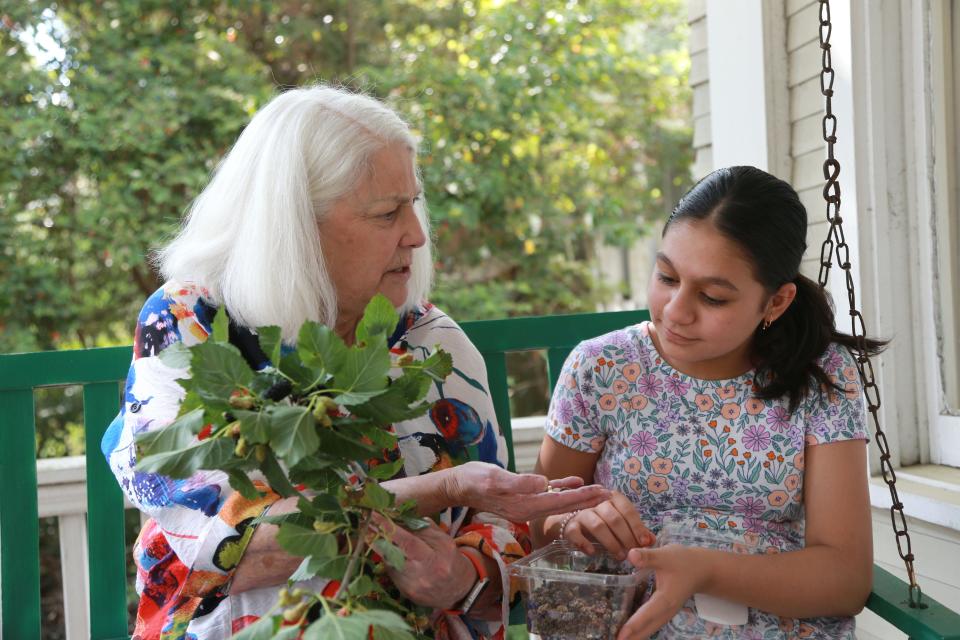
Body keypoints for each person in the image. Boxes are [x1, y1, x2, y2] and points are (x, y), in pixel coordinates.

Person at [101, 85, 609, 640]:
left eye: (413, 204)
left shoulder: (430, 341)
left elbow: (503, 532)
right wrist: (444, 488)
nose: (416, 234)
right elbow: (226, 544)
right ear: (295, 226)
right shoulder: (189, 324)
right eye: (388, 212)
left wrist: (462, 575)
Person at [532, 166, 884, 639]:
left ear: (775, 303)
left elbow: (844, 579)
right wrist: (576, 521)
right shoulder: (602, 368)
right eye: (666, 276)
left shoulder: (820, 375)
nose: (676, 310)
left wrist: (704, 570)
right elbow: (541, 525)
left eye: (713, 297)